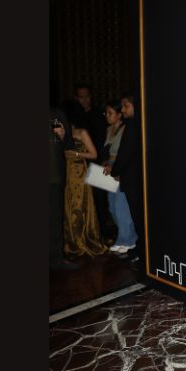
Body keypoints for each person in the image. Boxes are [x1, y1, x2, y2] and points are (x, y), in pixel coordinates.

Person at [63, 103, 108, 259]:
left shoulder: (82, 132)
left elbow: (94, 154)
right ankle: (71, 241)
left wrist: (76, 154)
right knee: (68, 207)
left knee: (79, 207)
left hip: (79, 172)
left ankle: (82, 241)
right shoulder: (62, 132)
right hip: (66, 173)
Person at [73, 82, 112, 242]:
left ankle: (102, 234)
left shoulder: (99, 115)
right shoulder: (73, 115)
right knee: (81, 202)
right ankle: (84, 236)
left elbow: (107, 140)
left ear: (91, 97)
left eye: (87, 96)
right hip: (78, 166)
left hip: (98, 163)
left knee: (100, 201)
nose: (84, 100)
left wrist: (104, 160)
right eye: (81, 97)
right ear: (76, 98)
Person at [100, 100, 138, 255]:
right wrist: (105, 162)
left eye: (110, 113)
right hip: (109, 169)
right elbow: (107, 151)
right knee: (112, 207)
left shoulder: (126, 128)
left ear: (119, 115)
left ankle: (127, 240)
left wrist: (116, 169)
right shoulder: (109, 129)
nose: (107, 116)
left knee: (121, 208)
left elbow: (125, 154)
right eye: (106, 113)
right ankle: (127, 238)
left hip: (120, 170)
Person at [109, 93, 143, 263]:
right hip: (139, 178)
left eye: (126, 106)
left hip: (132, 179)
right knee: (138, 215)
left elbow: (125, 152)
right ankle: (140, 248)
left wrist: (115, 170)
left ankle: (141, 250)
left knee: (137, 215)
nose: (122, 110)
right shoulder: (141, 123)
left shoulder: (132, 125)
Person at [49, 107, 78, 272]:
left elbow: (69, 145)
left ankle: (56, 259)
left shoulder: (57, 114)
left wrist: (63, 135)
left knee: (54, 220)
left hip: (53, 178)